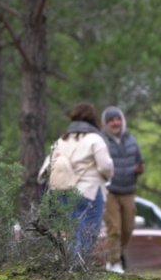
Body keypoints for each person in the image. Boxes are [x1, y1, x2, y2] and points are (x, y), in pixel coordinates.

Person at [39, 103, 114, 265]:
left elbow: (47, 167)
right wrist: (109, 176)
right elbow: (105, 166)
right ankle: (80, 268)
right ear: (93, 118)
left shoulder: (62, 140)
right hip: (90, 192)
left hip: (64, 192)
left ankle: (70, 267)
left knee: (72, 233)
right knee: (87, 232)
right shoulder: (95, 139)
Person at [101, 106, 145, 273]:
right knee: (115, 228)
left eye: (118, 119)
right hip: (109, 190)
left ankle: (115, 258)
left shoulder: (131, 140)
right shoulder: (101, 140)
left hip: (128, 190)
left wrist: (140, 168)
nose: (115, 122)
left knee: (128, 228)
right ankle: (113, 262)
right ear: (106, 123)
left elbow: (139, 160)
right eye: (111, 120)